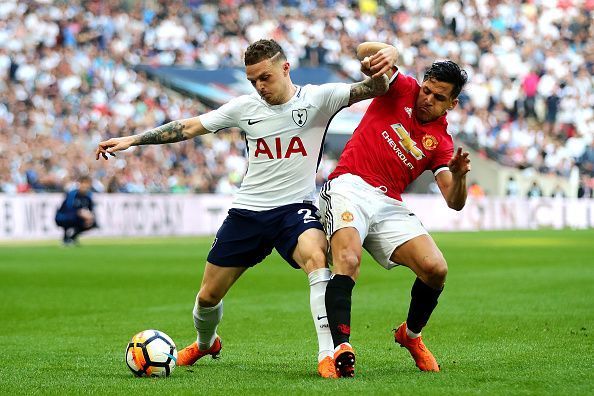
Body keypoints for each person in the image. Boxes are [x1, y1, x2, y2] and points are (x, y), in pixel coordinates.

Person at [95, 39, 393, 378]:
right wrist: (134, 140)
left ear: (285, 68)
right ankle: (206, 343)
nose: (259, 87)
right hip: (248, 213)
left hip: (294, 210)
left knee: (316, 257)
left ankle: (328, 355)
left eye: (264, 77)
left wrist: (378, 67)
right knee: (207, 297)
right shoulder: (244, 107)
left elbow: (376, 88)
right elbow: (189, 126)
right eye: (252, 81)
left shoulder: (319, 98)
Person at [319, 42, 470, 377]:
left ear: (452, 103)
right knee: (348, 259)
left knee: (435, 268)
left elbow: (455, 201)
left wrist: (458, 177)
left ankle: (411, 335)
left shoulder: (441, 143)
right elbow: (363, 52)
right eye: (428, 90)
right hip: (348, 185)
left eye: (439, 97)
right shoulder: (401, 88)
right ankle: (340, 347)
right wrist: (390, 51)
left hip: (389, 203)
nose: (428, 99)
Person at [54, 175, 97, 246]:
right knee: (70, 220)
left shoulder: (88, 196)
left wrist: (90, 217)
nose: (85, 186)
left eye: (87, 184)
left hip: (78, 218)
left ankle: (72, 238)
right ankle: (66, 238)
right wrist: (79, 213)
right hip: (63, 217)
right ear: (79, 184)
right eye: (83, 183)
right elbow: (68, 209)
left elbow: (91, 209)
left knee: (92, 223)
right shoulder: (72, 194)